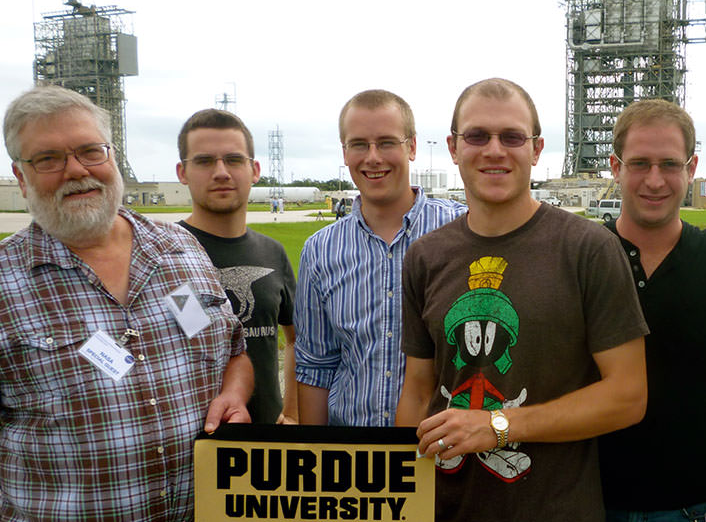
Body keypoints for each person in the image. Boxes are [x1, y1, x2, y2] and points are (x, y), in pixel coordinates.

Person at [395, 78, 649, 522]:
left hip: (553, 508)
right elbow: (417, 389)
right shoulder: (425, 256)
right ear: (454, 148)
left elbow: (627, 396)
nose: (495, 150)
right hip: (444, 508)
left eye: (512, 136)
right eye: (477, 135)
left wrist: (498, 427)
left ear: (536, 149)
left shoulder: (588, 249)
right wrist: (407, 493)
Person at [0, 86, 253, 519]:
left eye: (90, 151)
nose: (76, 171)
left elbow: (233, 351)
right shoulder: (7, 283)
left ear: (112, 157)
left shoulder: (179, 249)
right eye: (48, 159)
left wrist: (234, 393)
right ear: (21, 176)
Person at [598, 99, 706, 521]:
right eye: (639, 163)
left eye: (669, 164)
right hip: (589, 500)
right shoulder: (580, 255)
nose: (654, 180)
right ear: (615, 166)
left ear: (692, 167)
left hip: (691, 503)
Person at [295, 89, 465, 426]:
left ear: (412, 147)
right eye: (359, 144)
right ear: (344, 152)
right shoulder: (320, 250)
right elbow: (316, 365)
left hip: (445, 454)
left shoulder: (460, 230)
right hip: (356, 457)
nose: (373, 157)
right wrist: (314, 455)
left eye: (387, 142)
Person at [175, 108, 298, 424]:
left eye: (233, 160)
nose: (221, 172)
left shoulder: (272, 253)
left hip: (265, 442)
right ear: (182, 173)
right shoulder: (164, 254)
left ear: (254, 169)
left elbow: (298, 340)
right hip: (190, 440)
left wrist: (291, 412)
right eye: (204, 161)